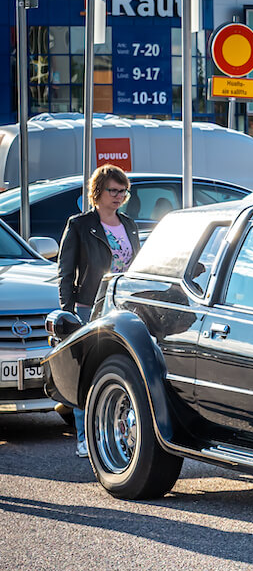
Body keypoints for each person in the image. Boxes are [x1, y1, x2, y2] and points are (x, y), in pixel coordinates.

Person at [57, 164, 141, 458]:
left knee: (118, 372)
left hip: (122, 308)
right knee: (86, 374)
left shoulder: (129, 224)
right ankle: (84, 438)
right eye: (113, 190)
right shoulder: (80, 225)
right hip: (88, 308)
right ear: (98, 192)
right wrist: (66, 313)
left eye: (123, 191)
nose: (119, 196)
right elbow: (65, 273)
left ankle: (115, 437)